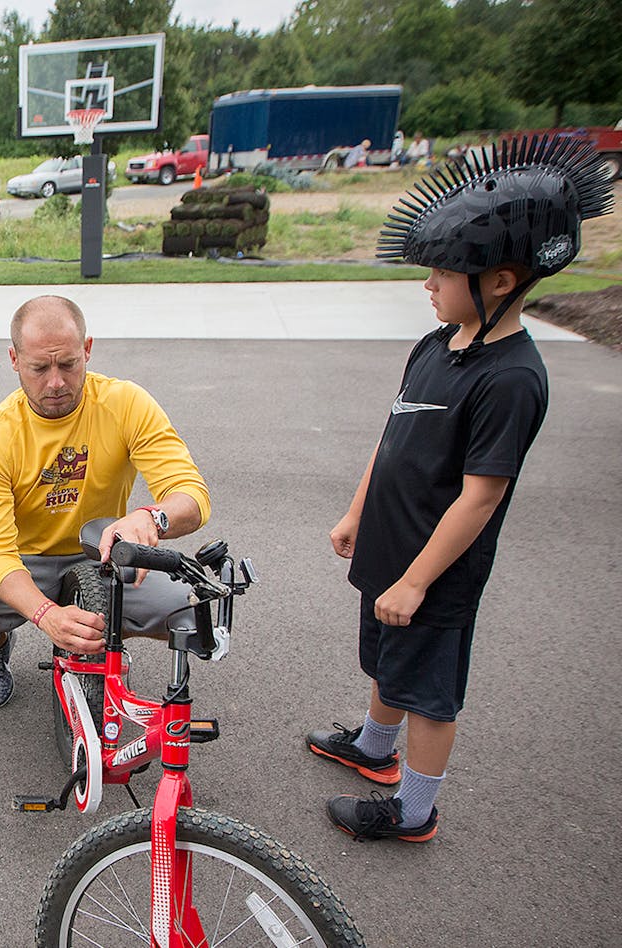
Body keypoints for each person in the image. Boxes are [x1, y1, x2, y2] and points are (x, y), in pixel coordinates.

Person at [308, 136, 614, 842]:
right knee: (387, 657)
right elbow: (392, 436)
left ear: (501, 280)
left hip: (436, 572)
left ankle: (414, 810)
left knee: (429, 689)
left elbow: (481, 495)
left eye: (443, 272)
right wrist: (357, 511)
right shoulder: (437, 344)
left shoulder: (510, 378)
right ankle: (375, 752)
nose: (429, 285)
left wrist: (416, 582)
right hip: (392, 545)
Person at [0, 295, 211, 707]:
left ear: (87, 349)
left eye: (69, 364)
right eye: (40, 368)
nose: (55, 382)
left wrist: (152, 516)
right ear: (14, 359)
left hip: (104, 551)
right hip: (26, 560)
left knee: (192, 614)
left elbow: (192, 495)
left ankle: (99, 629)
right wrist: (45, 615)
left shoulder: (126, 403)